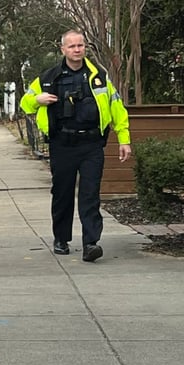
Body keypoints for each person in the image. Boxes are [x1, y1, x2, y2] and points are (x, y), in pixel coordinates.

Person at [20, 29, 131, 262]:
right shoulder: (49, 78)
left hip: (91, 144)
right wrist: (37, 99)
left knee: (90, 195)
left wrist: (124, 138)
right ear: (63, 49)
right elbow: (25, 104)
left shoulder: (98, 75)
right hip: (62, 144)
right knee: (62, 193)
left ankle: (91, 243)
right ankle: (61, 238)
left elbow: (116, 106)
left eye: (80, 45)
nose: (77, 50)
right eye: (72, 46)